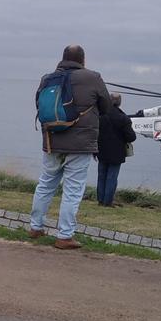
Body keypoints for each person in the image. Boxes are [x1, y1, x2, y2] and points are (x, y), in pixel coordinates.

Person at [28, 45, 112, 249]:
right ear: (83, 60)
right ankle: (64, 236)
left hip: (52, 141)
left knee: (45, 184)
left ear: (63, 58)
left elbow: (39, 104)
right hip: (80, 144)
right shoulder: (93, 77)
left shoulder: (47, 78)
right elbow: (106, 106)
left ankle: (35, 227)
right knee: (73, 190)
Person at [96, 92, 136, 207]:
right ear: (119, 103)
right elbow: (131, 137)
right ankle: (107, 201)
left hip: (101, 150)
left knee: (102, 175)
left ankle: (100, 199)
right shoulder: (123, 118)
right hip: (116, 152)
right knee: (112, 177)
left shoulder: (100, 115)